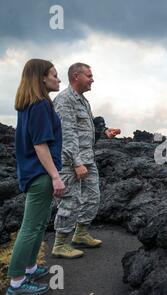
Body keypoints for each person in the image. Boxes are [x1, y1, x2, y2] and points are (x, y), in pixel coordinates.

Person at [6, 59, 65, 295]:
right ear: (41, 77)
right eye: (54, 74)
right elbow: (40, 146)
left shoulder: (28, 104)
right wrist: (55, 177)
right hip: (41, 173)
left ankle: (30, 268)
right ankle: (17, 282)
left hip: (32, 171)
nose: (58, 79)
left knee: (39, 224)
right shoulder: (40, 105)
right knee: (30, 227)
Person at [52, 62, 120, 258]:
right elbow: (66, 134)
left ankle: (80, 234)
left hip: (87, 159)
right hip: (70, 162)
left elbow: (85, 130)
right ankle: (60, 244)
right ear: (76, 77)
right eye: (89, 76)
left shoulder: (83, 101)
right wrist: (76, 162)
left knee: (93, 197)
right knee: (70, 201)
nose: (92, 79)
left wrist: (104, 132)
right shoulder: (65, 100)